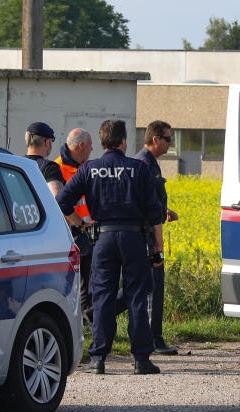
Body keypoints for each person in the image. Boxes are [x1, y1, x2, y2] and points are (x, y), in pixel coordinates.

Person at [57, 119, 164, 375]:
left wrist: (81, 224)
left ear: (102, 142)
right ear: (123, 141)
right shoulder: (138, 169)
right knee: (136, 295)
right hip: (134, 239)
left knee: (103, 296)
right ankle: (140, 359)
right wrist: (157, 248)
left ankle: (98, 358)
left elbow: (62, 200)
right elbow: (155, 213)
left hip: (102, 239)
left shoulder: (89, 169)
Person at [132, 120, 180, 356]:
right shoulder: (143, 164)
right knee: (151, 284)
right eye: (168, 139)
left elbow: (152, 200)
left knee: (150, 285)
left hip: (150, 230)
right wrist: (156, 239)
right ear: (155, 140)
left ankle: (152, 336)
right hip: (147, 236)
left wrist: (165, 212)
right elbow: (142, 204)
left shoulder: (151, 164)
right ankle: (152, 338)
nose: (170, 144)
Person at [56, 128, 96, 322]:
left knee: (87, 281)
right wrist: (80, 224)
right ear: (81, 145)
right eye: (89, 146)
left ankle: (85, 321)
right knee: (79, 282)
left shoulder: (85, 166)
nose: (92, 149)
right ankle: (83, 322)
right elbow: (61, 202)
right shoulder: (58, 168)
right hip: (72, 231)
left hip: (87, 230)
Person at [26, 122, 83, 228]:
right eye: (51, 141)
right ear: (46, 142)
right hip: (42, 229)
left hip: (20, 228)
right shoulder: (49, 168)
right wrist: (81, 224)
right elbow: (59, 202)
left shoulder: (15, 166)